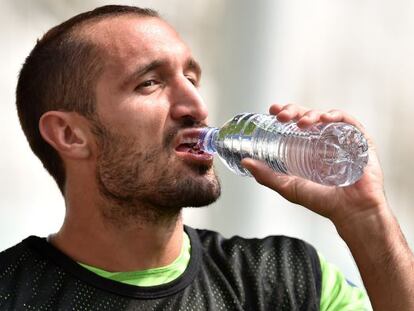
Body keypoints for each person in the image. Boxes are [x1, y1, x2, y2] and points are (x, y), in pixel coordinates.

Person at [0, 4, 413, 310]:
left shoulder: (289, 280)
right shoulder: (12, 292)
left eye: (192, 78)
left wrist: (367, 218)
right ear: (71, 134)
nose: (195, 104)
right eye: (149, 83)